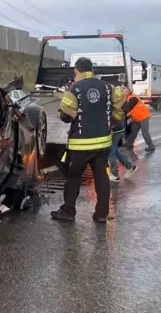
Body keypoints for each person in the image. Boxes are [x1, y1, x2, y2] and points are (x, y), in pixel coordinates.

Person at [50, 57, 125, 223]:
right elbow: (119, 112)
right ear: (93, 71)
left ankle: (68, 211)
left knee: (73, 177)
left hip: (80, 145)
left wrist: (61, 111)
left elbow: (67, 117)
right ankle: (101, 214)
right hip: (103, 143)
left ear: (76, 71)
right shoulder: (109, 88)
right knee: (101, 178)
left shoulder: (74, 88)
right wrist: (108, 123)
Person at [108, 104, 139, 182]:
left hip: (114, 129)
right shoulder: (113, 99)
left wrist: (110, 128)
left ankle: (115, 175)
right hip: (119, 127)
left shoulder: (108, 100)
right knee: (115, 150)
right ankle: (130, 166)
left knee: (111, 151)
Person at [123, 87, 156, 152]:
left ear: (130, 92)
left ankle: (151, 146)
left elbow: (128, 108)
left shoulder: (133, 98)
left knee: (145, 132)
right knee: (133, 131)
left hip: (143, 117)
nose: (124, 93)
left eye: (126, 91)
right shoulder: (127, 98)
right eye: (123, 92)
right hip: (136, 118)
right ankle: (129, 144)